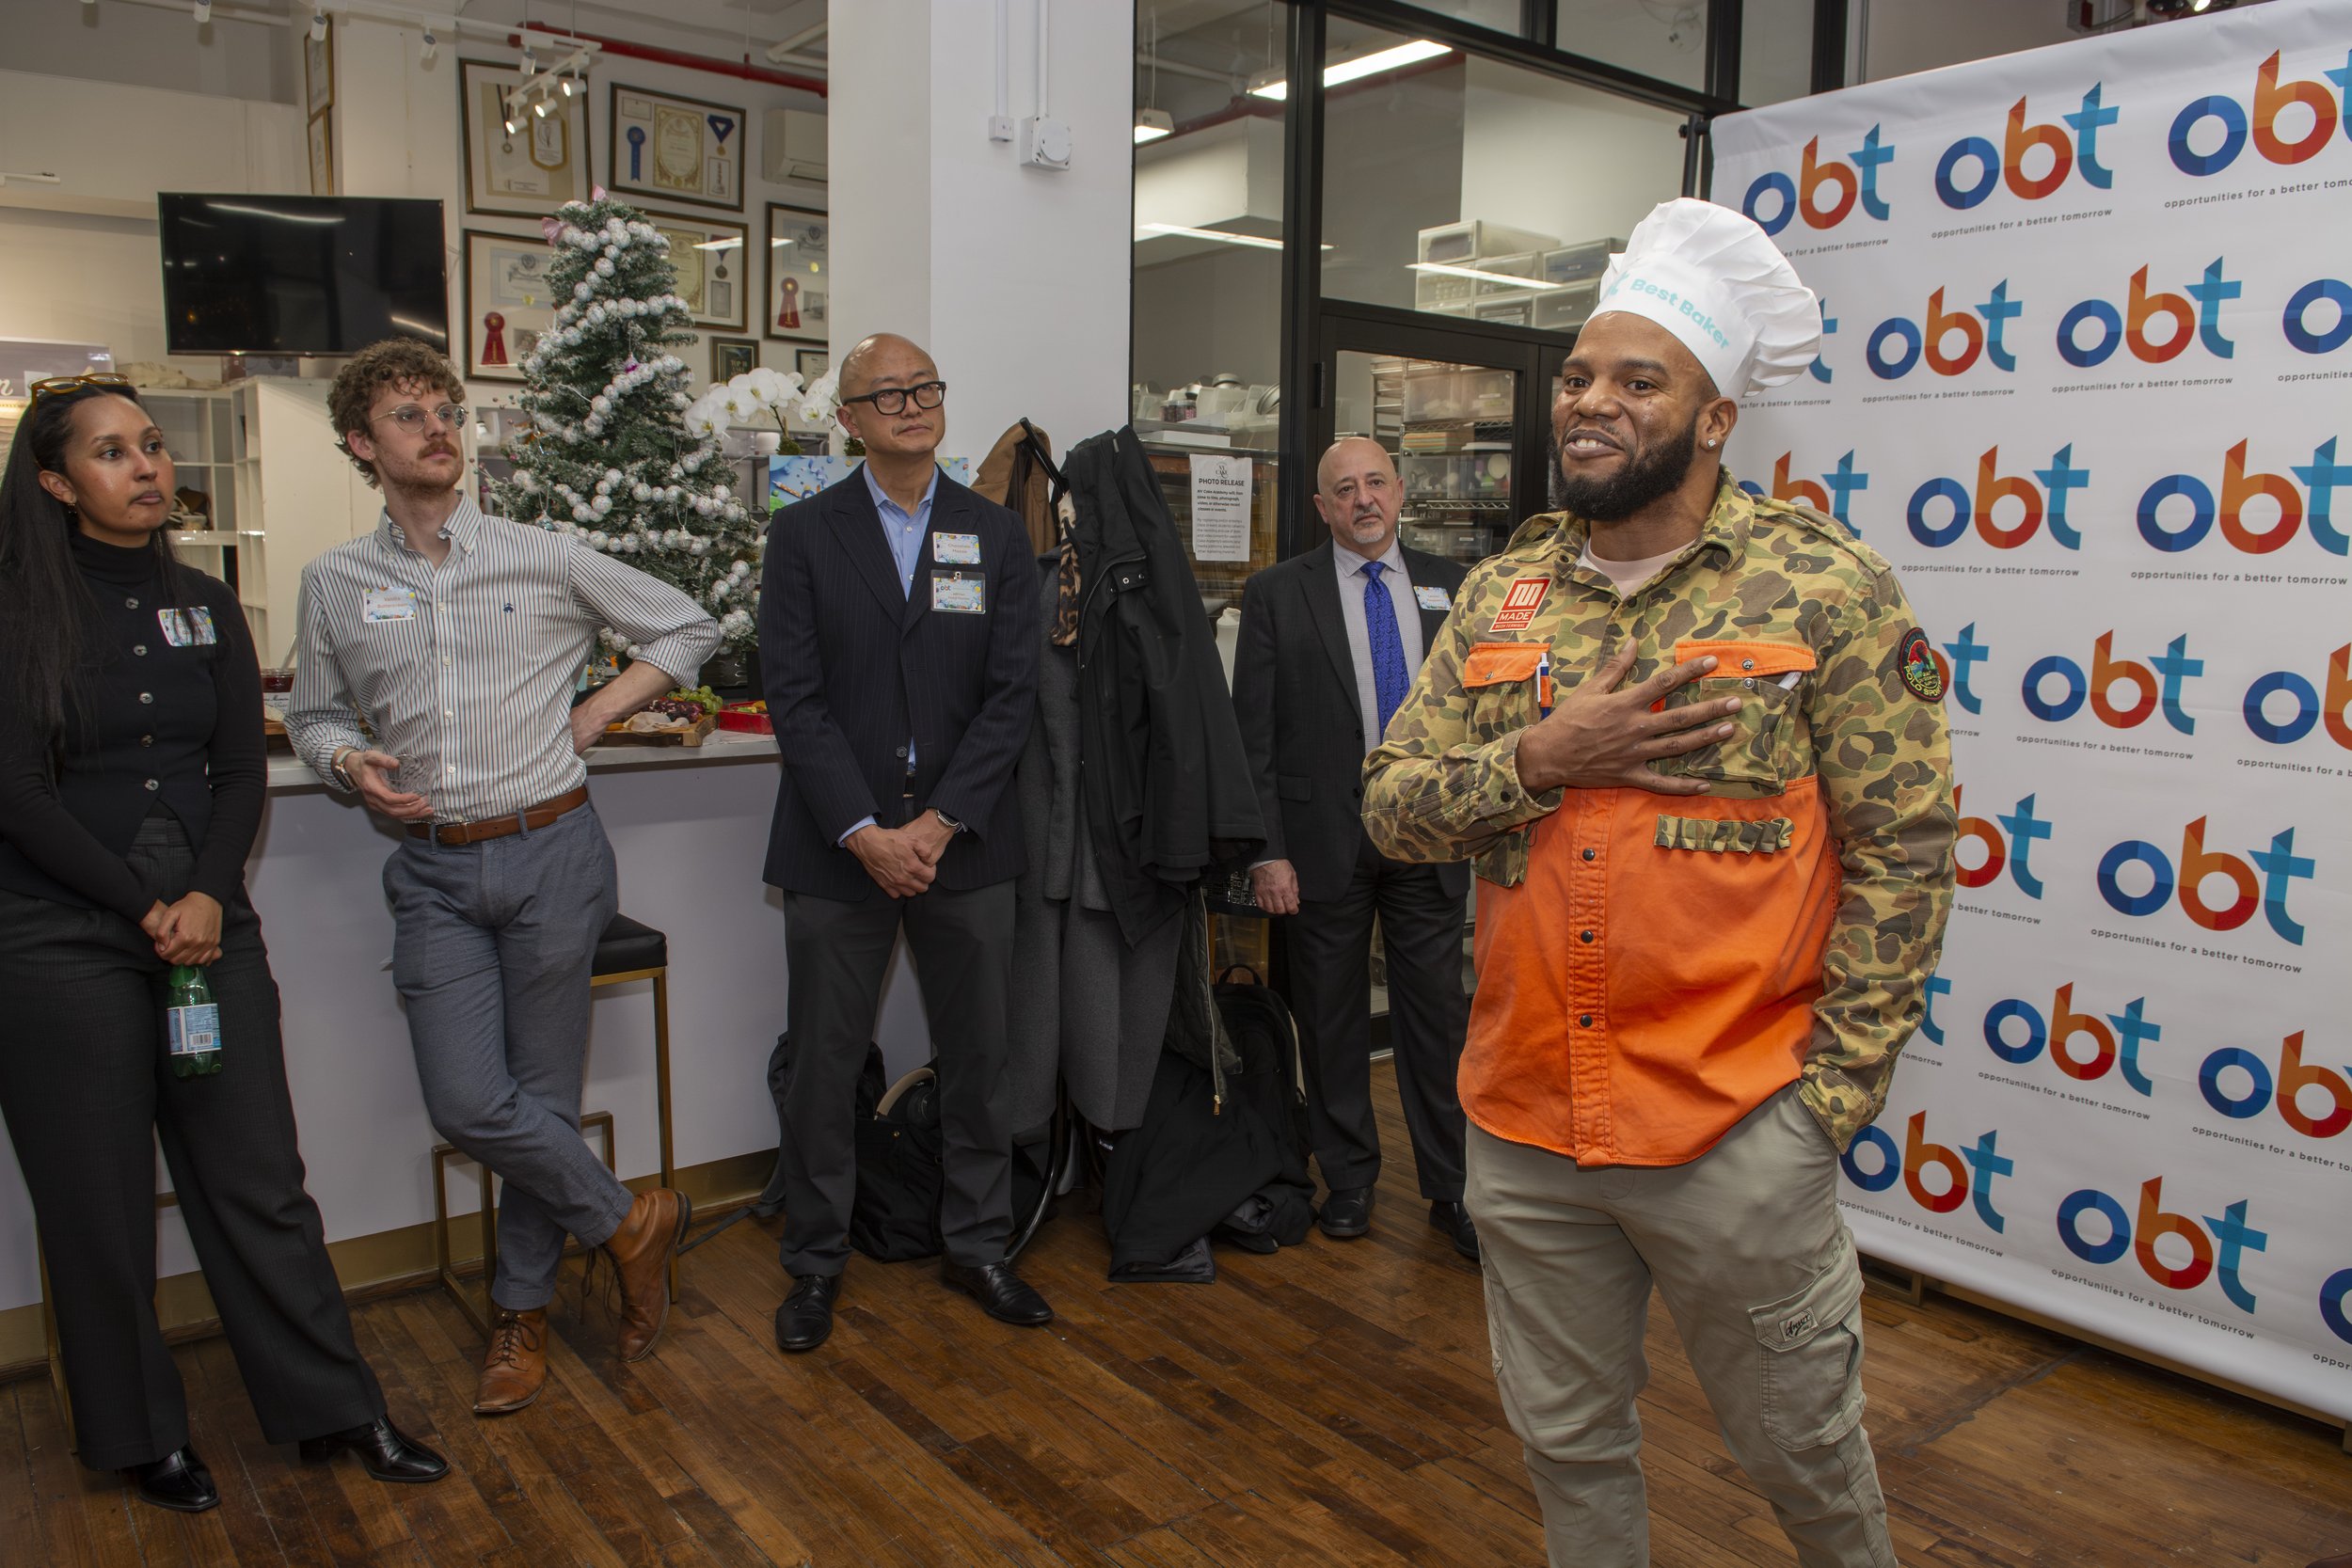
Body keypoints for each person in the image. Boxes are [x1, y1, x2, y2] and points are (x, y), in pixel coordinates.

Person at [1363, 198, 1956, 1568]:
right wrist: (1540, 754)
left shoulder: (1822, 590)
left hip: (1736, 1128)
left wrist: (1829, 1100)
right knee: (1570, 1447)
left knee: (1803, 1452)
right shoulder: (1505, 597)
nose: (1592, 402)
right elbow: (1392, 810)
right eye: (1579, 374)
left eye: (1640, 381)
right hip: (1523, 1128)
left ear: (1713, 420)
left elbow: (1907, 846)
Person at [0, 375, 448, 1512]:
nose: (146, 466)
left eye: (151, 444)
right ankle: (140, 1434)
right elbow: (17, 793)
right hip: (58, 934)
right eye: (111, 452)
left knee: (259, 1180)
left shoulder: (203, 600)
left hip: (208, 927)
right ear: (56, 482)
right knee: (97, 1201)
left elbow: (242, 765)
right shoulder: (14, 609)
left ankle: (333, 1407)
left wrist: (202, 896)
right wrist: (139, 905)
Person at [285, 338, 718, 1416]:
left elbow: (687, 621)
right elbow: (314, 710)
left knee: (539, 1096)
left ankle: (517, 1316)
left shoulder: (544, 551)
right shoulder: (336, 581)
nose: (437, 427)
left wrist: (597, 711)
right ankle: (629, 1221)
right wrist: (349, 760)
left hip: (552, 852)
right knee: (470, 1098)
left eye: (446, 408)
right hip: (430, 870)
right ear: (360, 443)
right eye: (407, 414)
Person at [757, 333, 1049, 1353]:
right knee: (824, 1065)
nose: (912, 405)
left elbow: (1012, 695)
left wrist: (934, 823)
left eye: (925, 387)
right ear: (847, 419)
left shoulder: (991, 533)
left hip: (962, 842)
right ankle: (814, 1262)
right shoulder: (803, 534)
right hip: (837, 847)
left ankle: (977, 1244)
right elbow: (792, 698)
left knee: (978, 1060)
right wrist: (865, 831)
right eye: (887, 394)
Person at [1232, 436, 1476, 1257]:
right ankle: (1352, 1179)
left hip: (1430, 839)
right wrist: (1266, 851)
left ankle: (1454, 1188)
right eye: (1345, 488)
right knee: (1332, 1023)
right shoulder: (1275, 594)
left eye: (1376, 483)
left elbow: (1486, 713)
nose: (1364, 499)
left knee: (1438, 1023)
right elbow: (1251, 739)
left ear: (1401, 492)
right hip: (1320, 845)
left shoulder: (1457, 587)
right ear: (1322, 507)